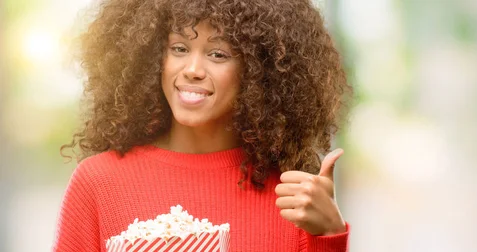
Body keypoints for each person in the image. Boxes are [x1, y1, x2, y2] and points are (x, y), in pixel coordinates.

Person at [53, 0, 352, 251]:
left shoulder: (291, 199)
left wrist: (329, 234)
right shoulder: (99, 182)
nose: (193, 70)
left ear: (258, 70)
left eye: (217, 54)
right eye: (179, 48)